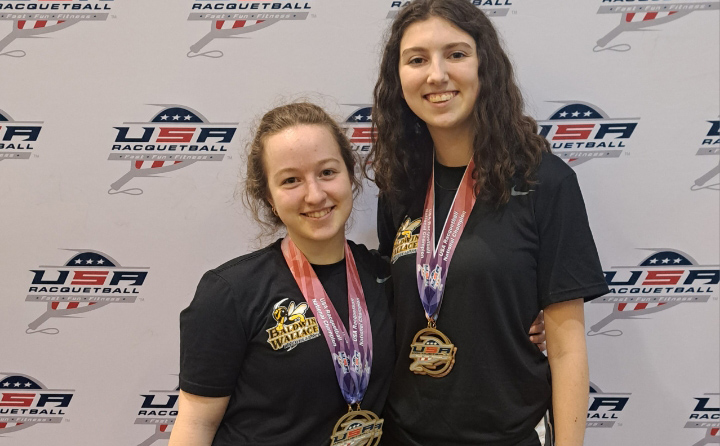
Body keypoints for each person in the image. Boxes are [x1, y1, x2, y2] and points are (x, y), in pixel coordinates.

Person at [368, 1, 610, 445]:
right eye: (417, 59)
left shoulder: (544, 182)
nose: (436, 74)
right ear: (398, 77)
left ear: (485, 67)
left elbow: (567, 347)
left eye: (456, 54)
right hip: (405, 434)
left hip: (509, 434)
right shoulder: (399, 185)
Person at [169, 102, 394, 446]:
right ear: (269, 197)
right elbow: (195, 427)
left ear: (350, 175)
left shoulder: (384, 278)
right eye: (291, 180)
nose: (315, 194)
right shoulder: (230, 292)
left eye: (327, 172)